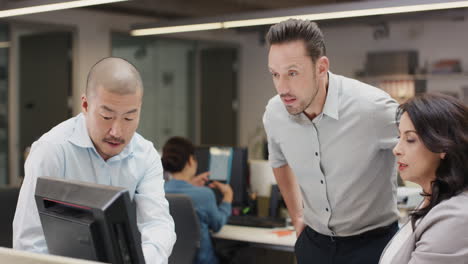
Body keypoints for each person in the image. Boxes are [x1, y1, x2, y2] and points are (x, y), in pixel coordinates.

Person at [13, 57, 176, 263]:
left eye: (129, 118)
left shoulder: (145, 155)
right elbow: (29, 241)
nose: (117, 131)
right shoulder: (52, 150)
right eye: (106, 117)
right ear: (85, 104)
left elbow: (158, 224)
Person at [263, 19, 399, 264]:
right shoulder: (275, 113)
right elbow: (279, 161)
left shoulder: (373, 109)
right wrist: (297, 216)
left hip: (372, 246)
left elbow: (431, 153)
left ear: (321, 67)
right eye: (275, 74)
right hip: (314, 243)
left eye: (292, 73)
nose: (282, 88)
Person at [379, 93, 468, 263]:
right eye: (400, 137)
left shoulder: (455, 218)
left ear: (443, 145)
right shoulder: (432, 198)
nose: (396, 150)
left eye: (410, 139)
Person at [162, 136, 232, 264]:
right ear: (190, 160)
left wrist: (190, 183)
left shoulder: (157, 192)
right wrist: (227, 197)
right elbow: (217, 225)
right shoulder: (204, 195)